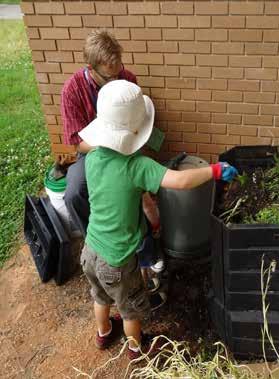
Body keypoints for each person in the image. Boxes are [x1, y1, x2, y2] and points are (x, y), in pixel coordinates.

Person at [78, 80, 238, 359]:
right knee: (130, 308)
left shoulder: (92, 158)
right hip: (117, 260)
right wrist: (214, 170)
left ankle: (103, 333)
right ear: (137, 130)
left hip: (90, 249)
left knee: (100, 296)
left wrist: (151, 220)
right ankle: (137, 347)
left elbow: (137, 199)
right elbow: (181, 179)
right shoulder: (137, 166)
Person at [60, 29, 165, 306]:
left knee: (137, 192)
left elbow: (138, 123)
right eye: (110, 76)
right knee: (74, 192)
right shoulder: (72, 90)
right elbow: (75, 140)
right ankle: (99, 247)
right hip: (94, 151)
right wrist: (108, 149)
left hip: (128, 147)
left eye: (119, 71)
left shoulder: (125, 78)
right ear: (90, 68)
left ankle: (144, 254)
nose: (118, 78)